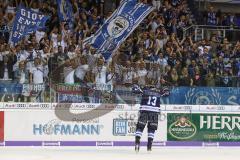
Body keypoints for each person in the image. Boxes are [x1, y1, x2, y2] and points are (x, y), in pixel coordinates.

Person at [132, 84, 170, 152]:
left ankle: (137, 142)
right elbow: (168, 93)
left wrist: (137, 86)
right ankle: (149, 146)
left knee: (140, 127)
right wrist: (164, 88)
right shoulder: (158, 93)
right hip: (154, 112)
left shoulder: (144, 91)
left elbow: (134, 90)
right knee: (151, 129)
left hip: (144, 111)